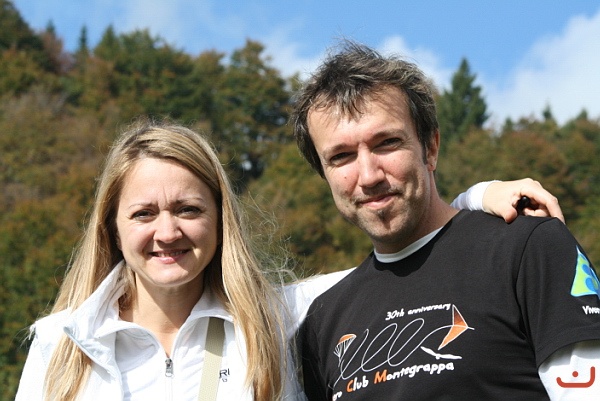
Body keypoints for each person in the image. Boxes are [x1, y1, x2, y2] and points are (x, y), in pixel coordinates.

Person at [14, 119, 565, 401]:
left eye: (188, 209)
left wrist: (474, 199)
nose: (168, 232)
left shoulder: (280, 318)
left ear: (220, 219)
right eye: (143, 214)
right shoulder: (61, 344)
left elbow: (405, 254)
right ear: (111, 227)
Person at [292, 41, 600, 400]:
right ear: (324, 174)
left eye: (387, 143)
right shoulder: (322, 320)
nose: (369, 175)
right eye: (341, 156)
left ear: (431, 148)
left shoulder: (528, 249)